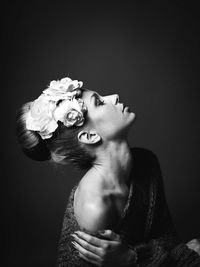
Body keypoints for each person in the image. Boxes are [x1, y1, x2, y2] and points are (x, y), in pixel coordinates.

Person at [16, 76, 200, 266]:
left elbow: (168, 239)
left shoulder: (146, 162)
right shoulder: (95, 207)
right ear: (90, 136)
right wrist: (132, 260)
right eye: (100, 102)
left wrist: (180, 256)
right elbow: (175, 253)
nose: (114, 97)